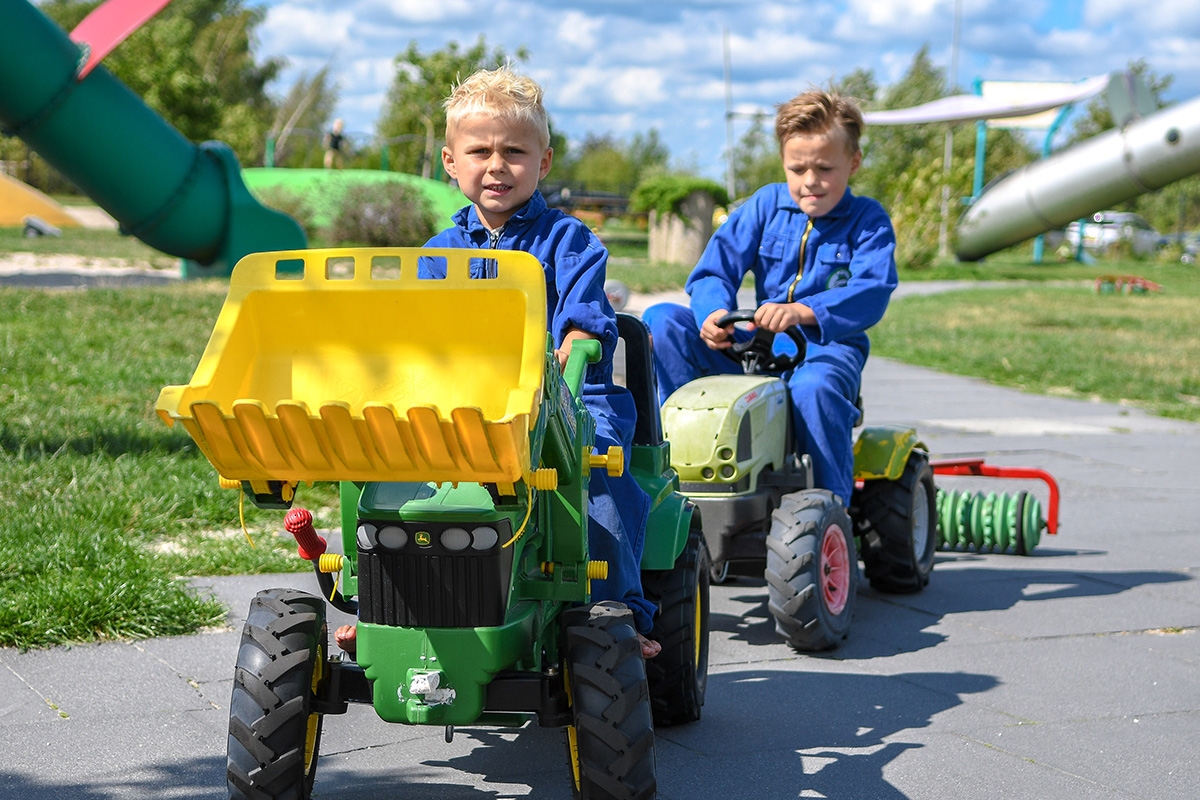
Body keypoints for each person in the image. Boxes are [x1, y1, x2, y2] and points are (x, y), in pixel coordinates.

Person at [335, 66, 660, 659]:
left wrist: (572, 347)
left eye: (514, 151)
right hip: (466, 403)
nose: (496, 164)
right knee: (385, 480)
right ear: (450, 162)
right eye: (479, 150)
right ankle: (380, 606)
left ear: (544, 162)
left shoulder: (571, 242)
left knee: (599, 480)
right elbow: (418, 337)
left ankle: (617, 614)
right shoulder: (438, 253)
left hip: (570, 402)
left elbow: (584, 324)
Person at [642, 88, 897, 508]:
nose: (810, 181)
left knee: (815, 389)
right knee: (662, 319)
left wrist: (804, 310)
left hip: (823, 351)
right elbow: (713, 270)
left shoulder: (867, 221)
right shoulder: (765, 205)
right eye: (797, 168)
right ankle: (685, 455)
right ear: (783, 161)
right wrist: (713, 315)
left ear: (853, 162)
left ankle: (831, 507)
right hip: (753, 347)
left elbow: (872, 291)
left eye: (824, 168)